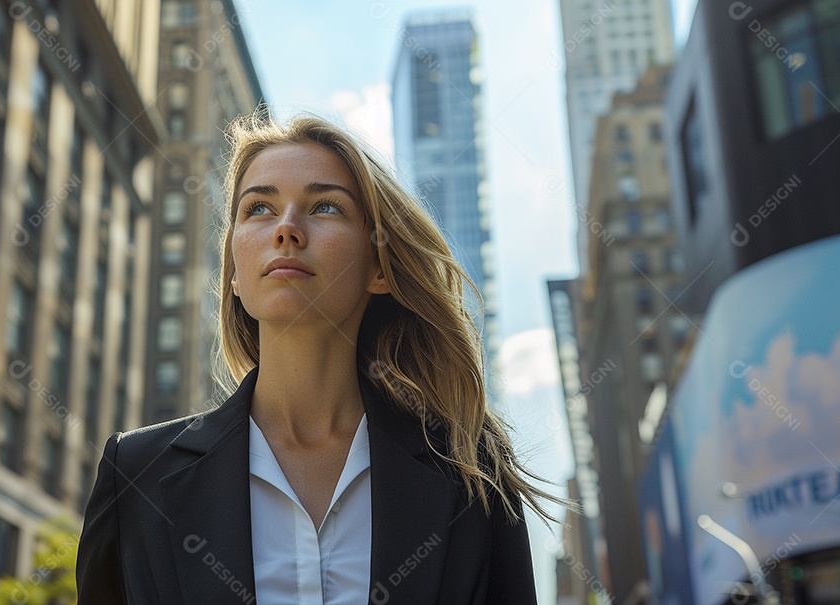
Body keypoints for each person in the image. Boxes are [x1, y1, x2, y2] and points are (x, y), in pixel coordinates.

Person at [76, 115, 571, 604]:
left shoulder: (470, 473)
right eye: (259, 209)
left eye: (326, 207)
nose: (287, 229)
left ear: (379, 266)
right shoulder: (136, 476)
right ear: (233, 272)